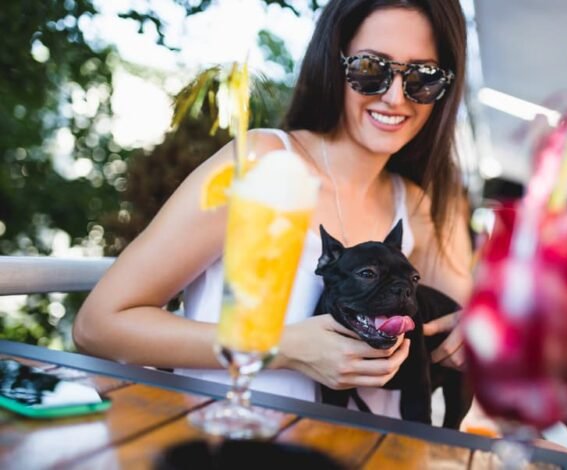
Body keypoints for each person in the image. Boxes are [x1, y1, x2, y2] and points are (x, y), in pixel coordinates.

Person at [74, 0, 472, 419]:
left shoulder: (416, 205)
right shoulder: (259, 163)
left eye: (422, 77)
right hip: (228, 447)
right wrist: (284, 346)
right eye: (370, 69)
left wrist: (477, 334)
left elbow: (485, 326)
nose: (395, 96)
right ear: (333, 64)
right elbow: (98, 325)